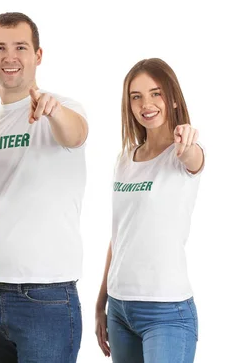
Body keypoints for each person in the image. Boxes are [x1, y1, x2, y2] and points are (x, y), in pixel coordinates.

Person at [0, 12, 89, 362]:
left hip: (45, 295)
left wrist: (52, 111)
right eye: (0, 48)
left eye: (21, 47)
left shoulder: (62, 109)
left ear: (38, 56)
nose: (10, 57)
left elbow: (76, 133)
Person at [94, 58, 203, 363]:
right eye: (136, 96)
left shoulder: (183, 154)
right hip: (119, 309)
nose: (146, 104)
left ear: (172, 97)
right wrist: (101, 302)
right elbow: (119, 235)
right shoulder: (125, 159)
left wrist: (186, 145)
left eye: (156, 93)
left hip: (166, 311)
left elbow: (193, 159)